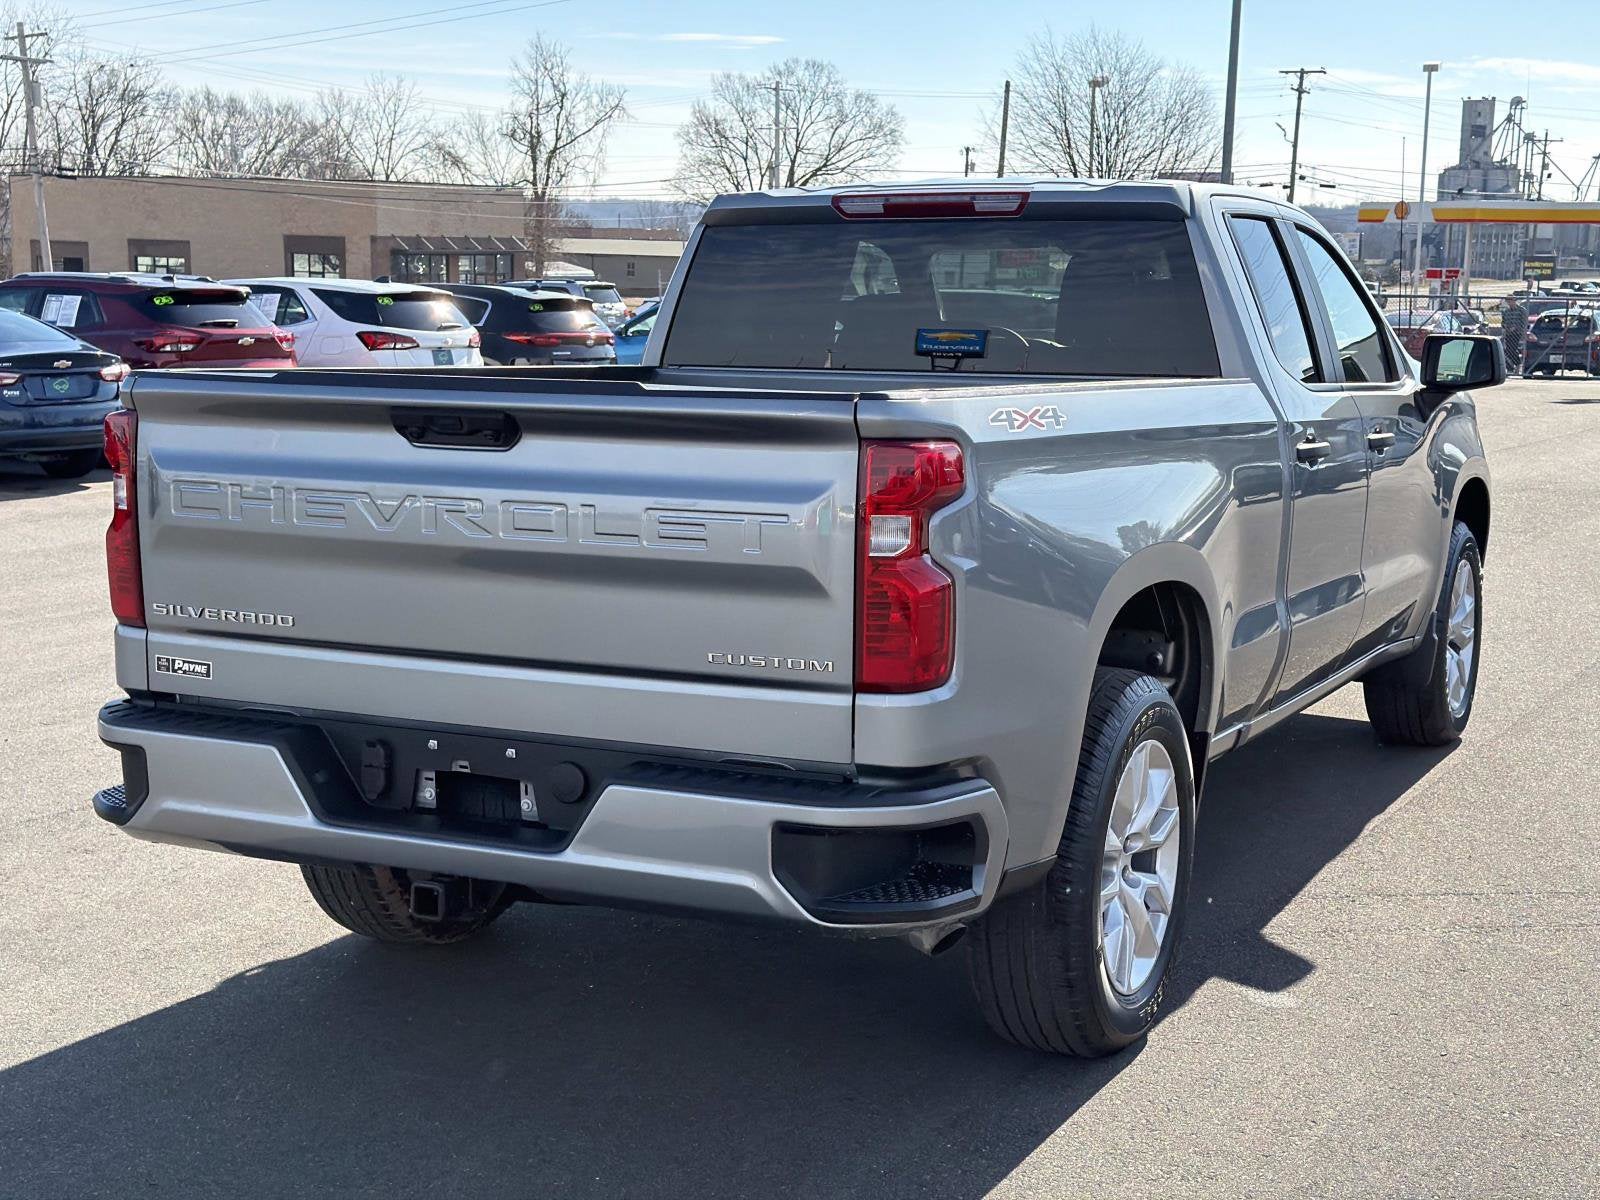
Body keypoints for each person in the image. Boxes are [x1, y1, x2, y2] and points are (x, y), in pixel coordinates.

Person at [1501, 294, 1528, 375]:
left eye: (1511, 300)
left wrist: (1516, 328)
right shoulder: (1506, 311)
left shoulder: (1521, 310)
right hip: (1508, 334)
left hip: (1517, 334)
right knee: (1507, 351)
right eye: (1508, 300)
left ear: (1514, 300)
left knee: (1513, 349)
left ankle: (1517, 364)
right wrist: (1505, 327)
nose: (1509, 302)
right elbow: (1503, 322)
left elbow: (1524, 322)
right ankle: (1510, 368)